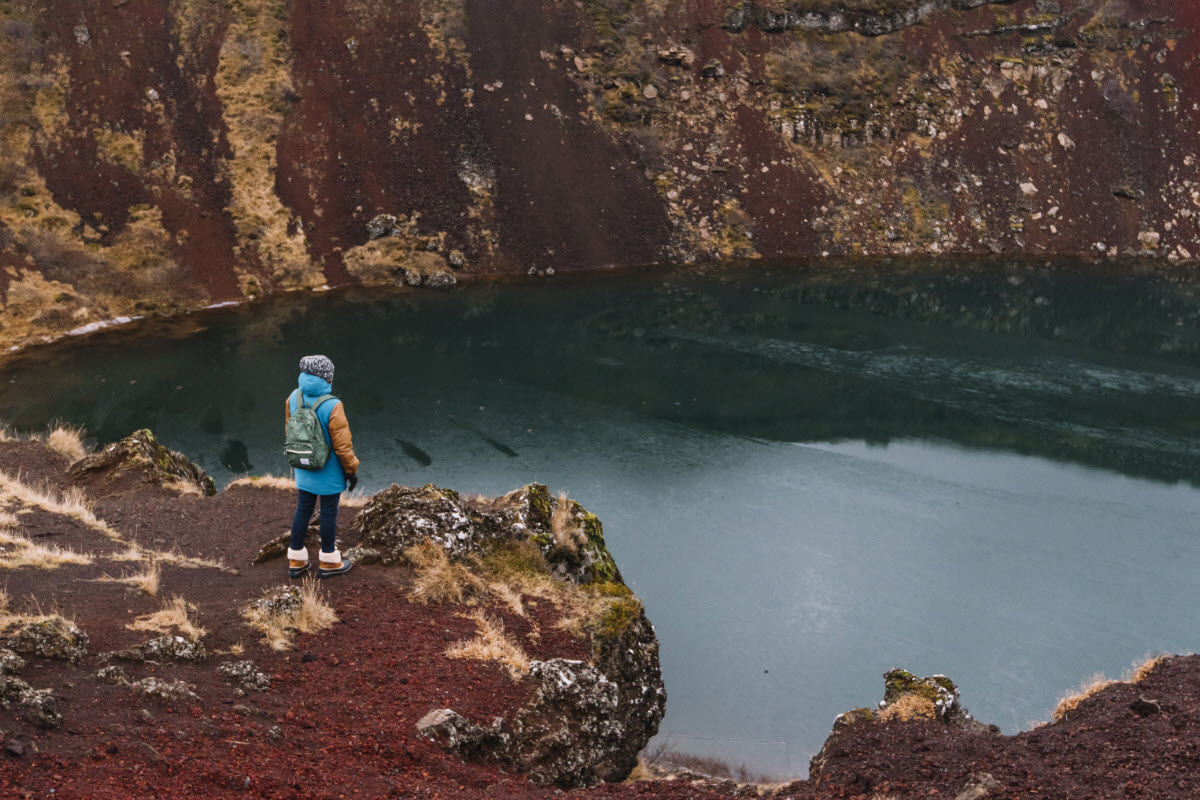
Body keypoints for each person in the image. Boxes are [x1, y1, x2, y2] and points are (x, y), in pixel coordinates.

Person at [285, 355, 358, 579]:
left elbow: (290, 433)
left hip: (303, 466)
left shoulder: (293, 398)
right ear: (327, 378)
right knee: (328, 513)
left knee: (303, 509)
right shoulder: (333, 405)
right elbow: (343, 446)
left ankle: (296, 559)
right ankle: (328, 561)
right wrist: (351, 470)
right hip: (329, 470)